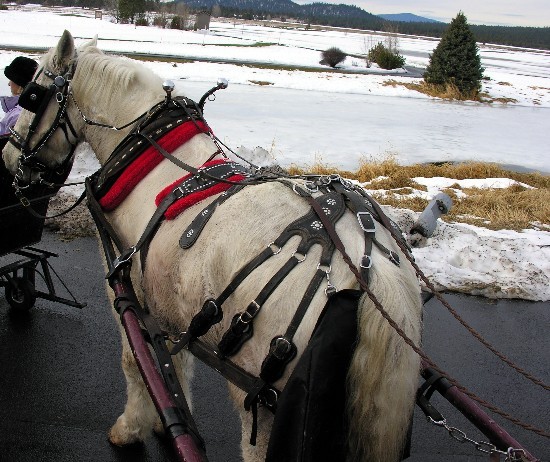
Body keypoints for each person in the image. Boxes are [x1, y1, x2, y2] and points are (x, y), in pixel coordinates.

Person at [0, 56, 38, 138]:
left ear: (21, 86)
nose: (9, 84)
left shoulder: (18, 115)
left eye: (11, 80)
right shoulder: (21, 109)